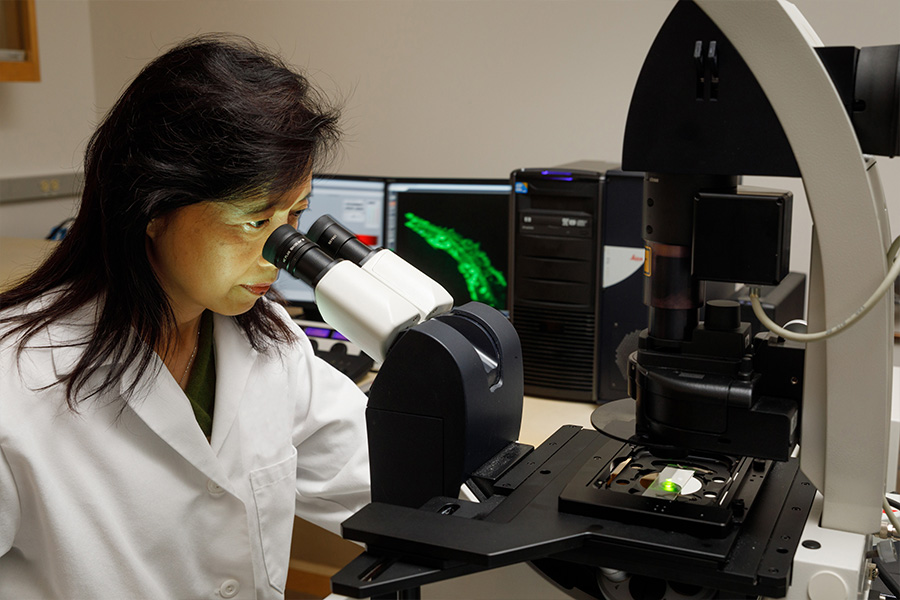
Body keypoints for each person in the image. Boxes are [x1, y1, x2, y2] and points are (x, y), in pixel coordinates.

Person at [0, 34, 370, 599]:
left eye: (295, 213)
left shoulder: (270, 344)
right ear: (152, 209)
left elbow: (386, 485)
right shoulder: (16, 385)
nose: (281, 250)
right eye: (252, 220)